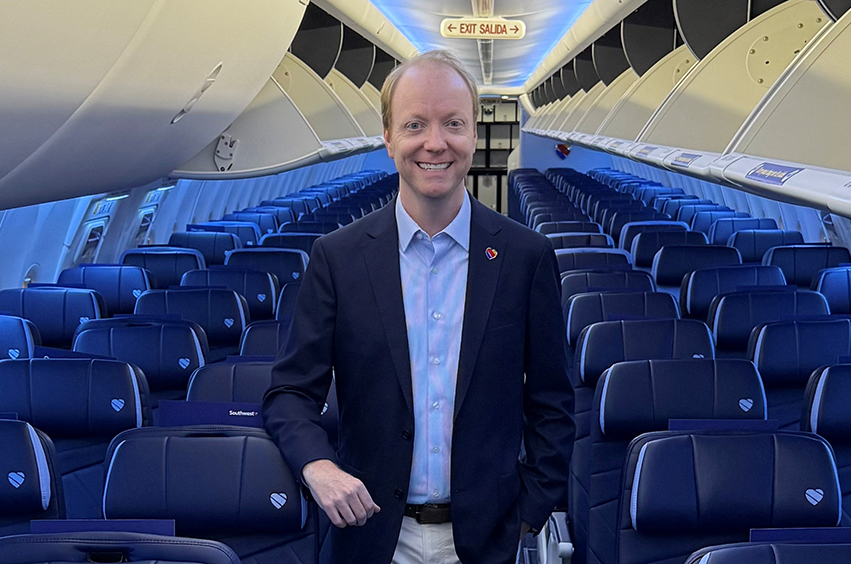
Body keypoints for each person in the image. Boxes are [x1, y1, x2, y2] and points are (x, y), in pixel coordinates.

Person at [263, 49, 574, 564]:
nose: (435, 142)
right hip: (371, 536)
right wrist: (318, 466)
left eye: (453, 123)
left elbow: (553, 403)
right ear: (388, 138)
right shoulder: (338, 258)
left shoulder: (526, 258)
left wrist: (527, 512)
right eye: (414, 125)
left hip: (486, 539)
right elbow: (290, 393)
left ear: (474, 134)